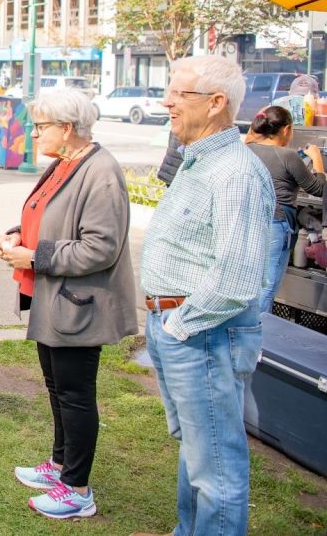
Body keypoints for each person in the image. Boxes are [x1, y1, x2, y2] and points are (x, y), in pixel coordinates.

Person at [135, 55, 273, 536]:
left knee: (216, 463)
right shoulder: (198, 161)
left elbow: (235, 279)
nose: (167, 101)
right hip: (181, 329)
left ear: (217, 104)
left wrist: (177, 326)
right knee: (198, 450)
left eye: (180, 94)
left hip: (202, 332)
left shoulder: (234, 173)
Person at [0, 89, 137, 520]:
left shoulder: (101, 171)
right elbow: (48, 215)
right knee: (58, 388)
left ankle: (77, 489)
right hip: (53, 300)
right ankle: (59, 465)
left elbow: (101, 247)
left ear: (67, 128)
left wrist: (35, 257)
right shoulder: (66, 163)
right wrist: (18, 234)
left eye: (41, 126)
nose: (34, 134)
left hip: (80, 305)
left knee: (75, 395)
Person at [245, 105, 325, 314]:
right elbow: (319, 189)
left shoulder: (247, 150)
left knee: (249, 282)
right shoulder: (287, 156)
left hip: (247, 222)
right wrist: (316, 157)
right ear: (286, 129)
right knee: (268, 285)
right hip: (276, 224)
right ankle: (261, 335)